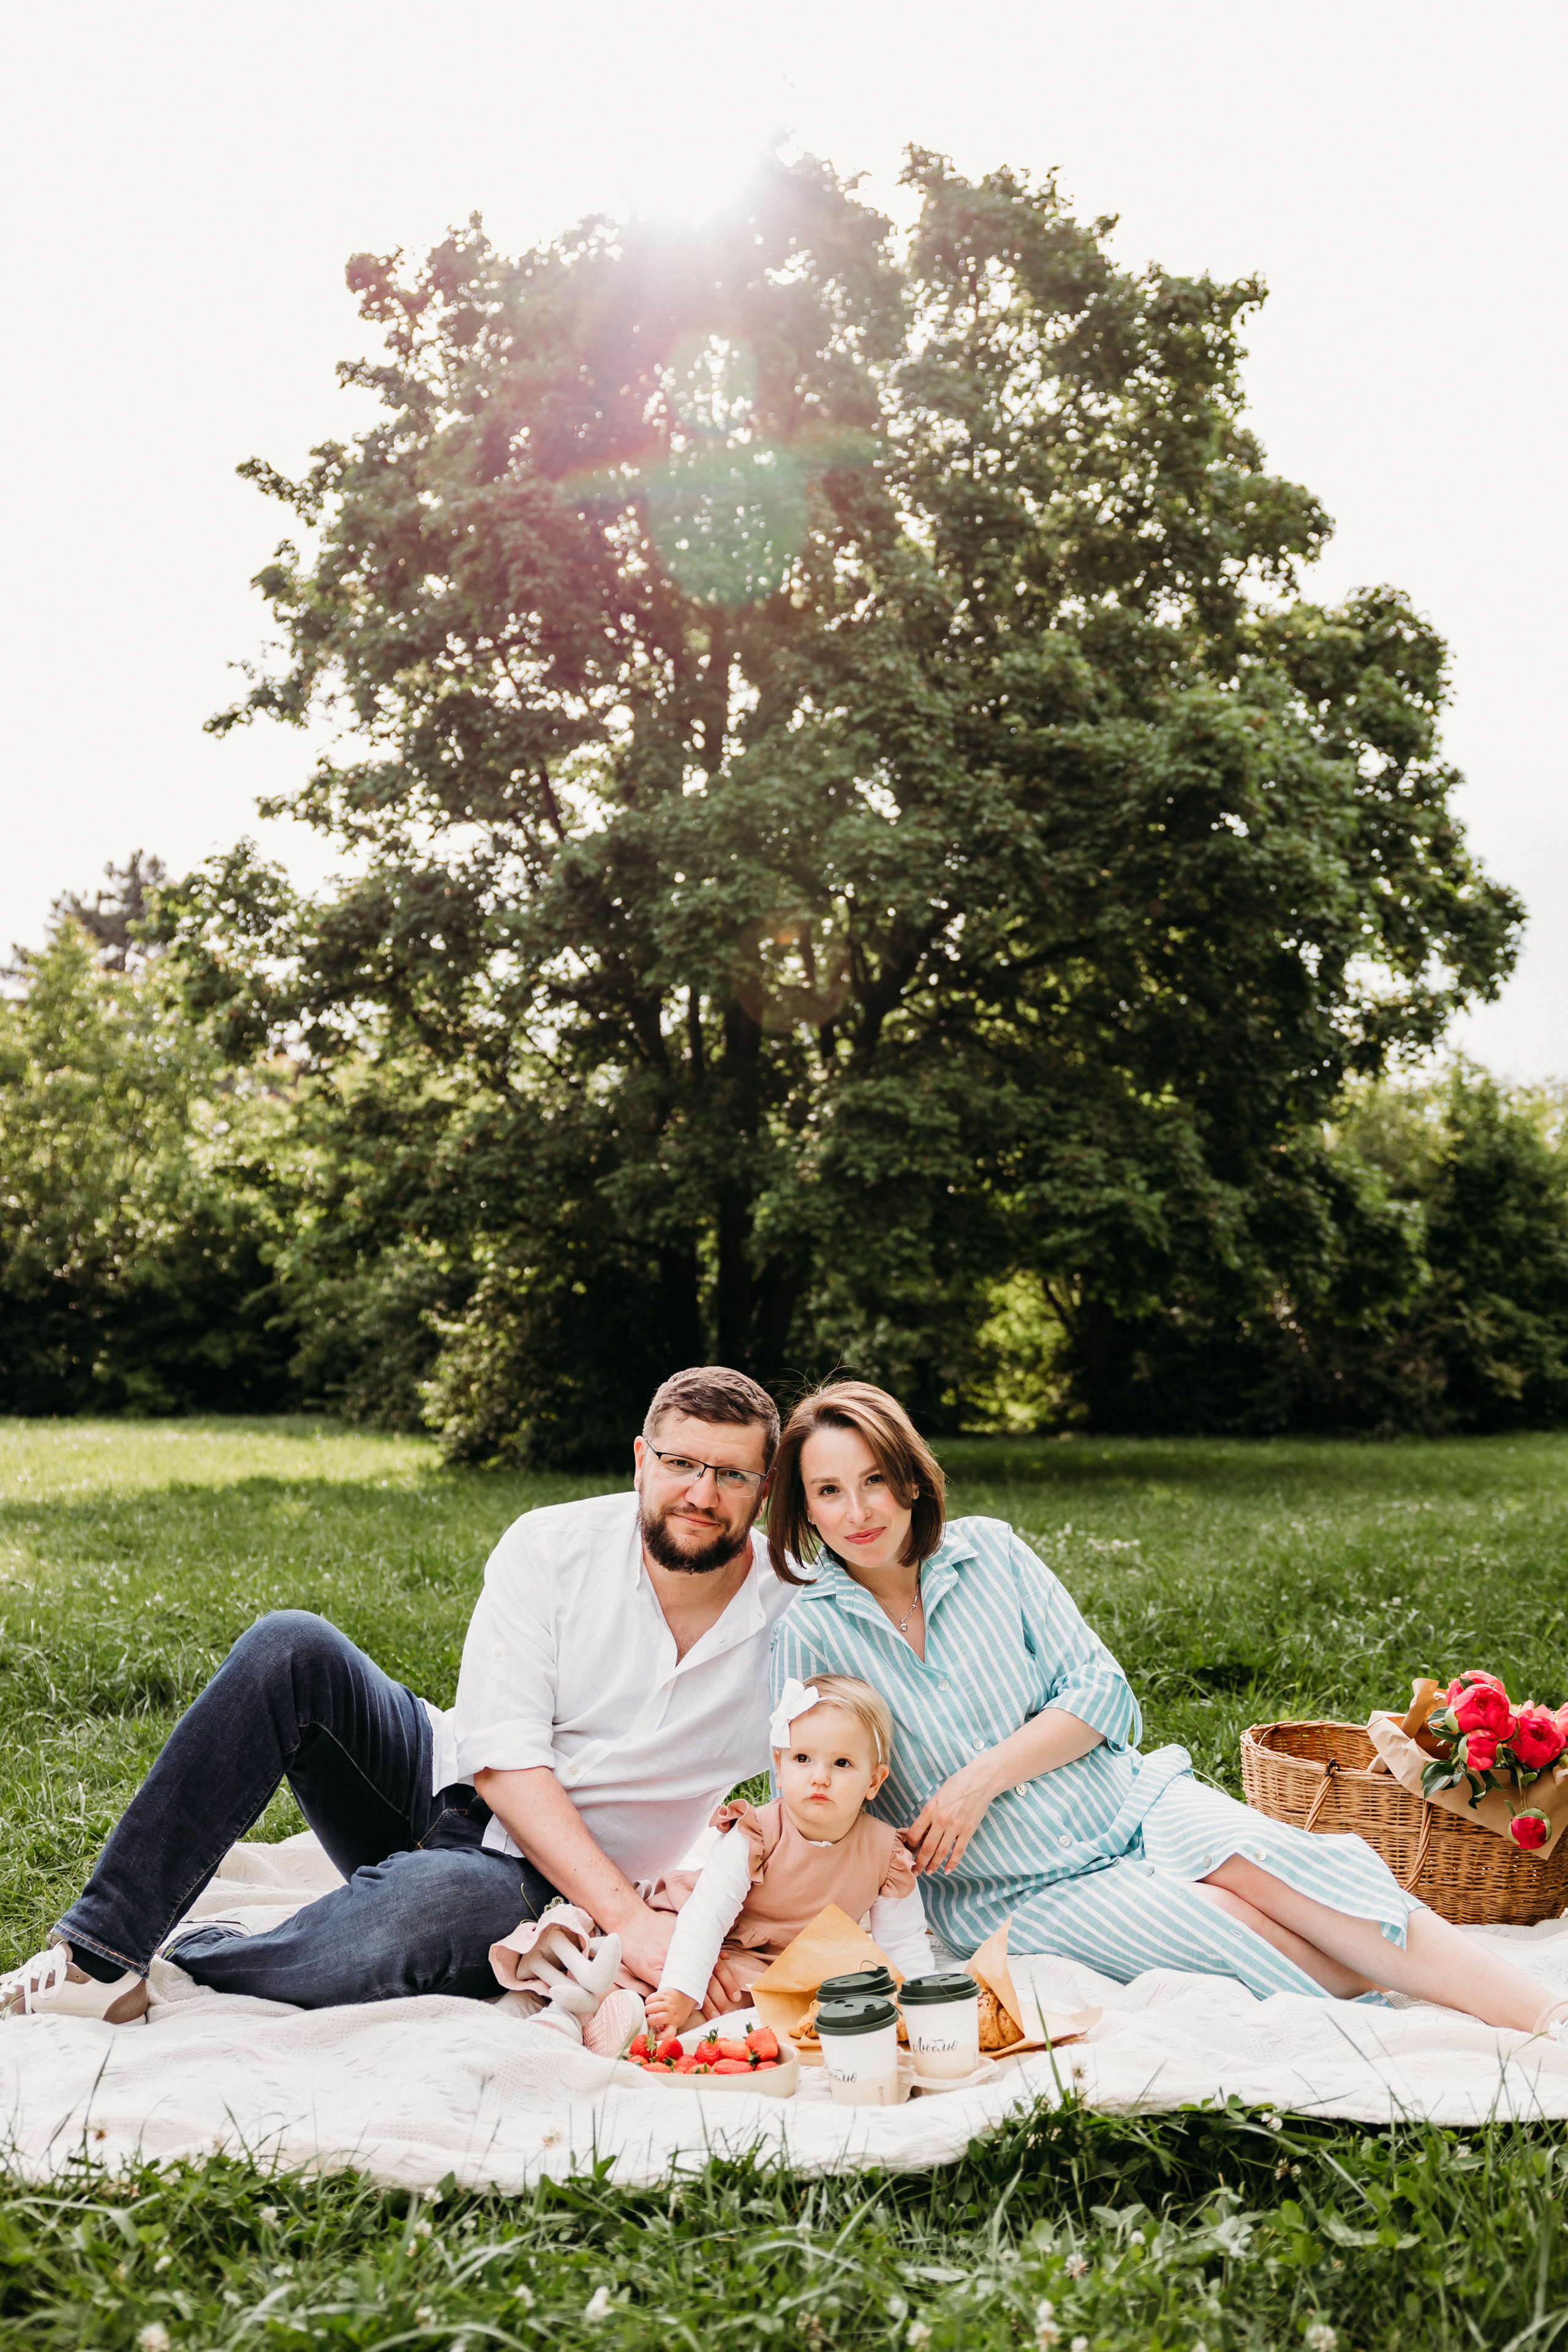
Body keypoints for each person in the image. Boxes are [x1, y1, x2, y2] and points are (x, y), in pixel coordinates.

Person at [767, 1380, 1568, 2038]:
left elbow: (1101, 1690)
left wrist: (978, 1780)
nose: (859, 1511)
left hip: (1130, 1799)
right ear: (805, 1513)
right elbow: (813, 1796)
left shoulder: (992, 1552)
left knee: (1292, 1865)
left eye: (875, 1479)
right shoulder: (811, 1633)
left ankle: (1546, 2016)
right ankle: (1437, 1984)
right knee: (1224, 1921)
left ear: (910, 1477)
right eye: (829, 1492)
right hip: (1013, 1888)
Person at [0, 1366, 797, 2023]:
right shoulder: (550, 1547)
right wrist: (636, 1923)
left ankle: (201, 1955)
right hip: (432, 1777)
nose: (703, 1493)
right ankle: (100, 1959)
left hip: (539, 1882)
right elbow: (503, 1764)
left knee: (436, 1906)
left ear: (762, 1491)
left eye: (732, 1475)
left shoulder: (793, 1616)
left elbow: (864, 1726)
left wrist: (696, 1930)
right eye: (682, 1464)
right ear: (640, 1461)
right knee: (291, 1644)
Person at [642, 1672, 935, 2038]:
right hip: (713, 1931)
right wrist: (681, 1990)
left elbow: (904, 1942)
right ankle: (614, 2000)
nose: (820, 1778)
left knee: (744, 2000)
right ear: (779, 1768)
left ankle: (653, 2019)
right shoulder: (757, 1834)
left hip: (783, 1960)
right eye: (802, 1758)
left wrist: (923, 2003)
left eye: (841, 1763)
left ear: (874, 1781)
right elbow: (707, 1915)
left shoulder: (885, 1854)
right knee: (665, 1969)